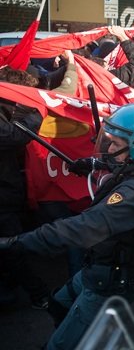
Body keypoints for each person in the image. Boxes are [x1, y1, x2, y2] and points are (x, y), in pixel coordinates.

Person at [0, 104, 134, 350]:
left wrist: (18, 242)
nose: (109, 149)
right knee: (59, 304)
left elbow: (82, 228)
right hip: (101, 267)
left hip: (112, 279)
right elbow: (123, 164)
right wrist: (92, 164)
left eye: (115, 144)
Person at [0, 73, 50, 310]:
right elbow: (13, 135)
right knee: (12, 246)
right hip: (3, 194)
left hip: (7, 189)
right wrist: (38, 111)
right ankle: (38, 294)